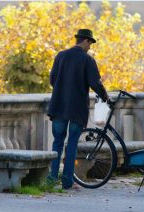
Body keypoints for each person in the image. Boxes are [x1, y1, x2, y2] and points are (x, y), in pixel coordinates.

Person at [46, 29, 109, 189]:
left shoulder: (60, 56)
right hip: (77, 108)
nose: (90, 47)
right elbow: (96, 83)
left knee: (57, 143)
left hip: (59, 105)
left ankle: (52, 179)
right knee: (72, 143)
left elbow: (52, 80)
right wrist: (106, 97)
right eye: (90, 43)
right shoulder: (87, 60)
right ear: (86, 41)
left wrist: (63, 90)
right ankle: (67, 182)